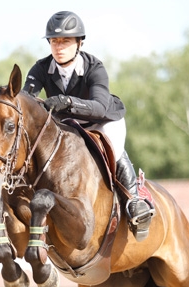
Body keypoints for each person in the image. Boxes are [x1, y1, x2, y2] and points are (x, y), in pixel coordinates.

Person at [22, 10, 154, 241]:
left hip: (101, 122)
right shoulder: (41, 69)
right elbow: (27, 102)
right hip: (67, 126)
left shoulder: (95, 67)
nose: (58, 46)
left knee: (113, 148)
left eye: (65, 41)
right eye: (54, 41)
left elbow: (100, 107)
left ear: (79, 43)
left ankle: (134, 201)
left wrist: (68, 102)